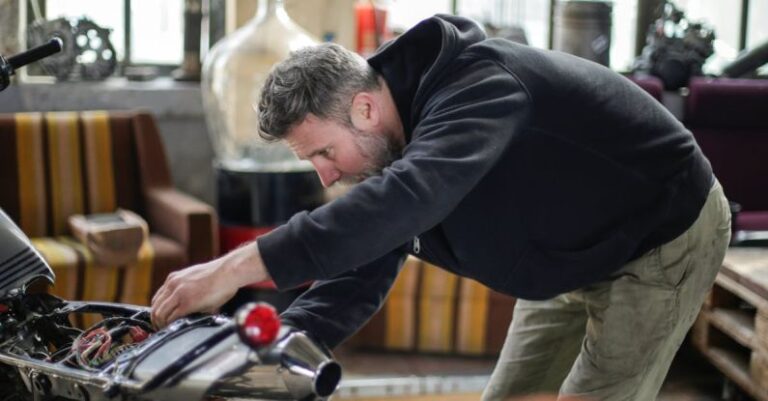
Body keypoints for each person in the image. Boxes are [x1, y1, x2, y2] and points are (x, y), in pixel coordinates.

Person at [151, 14, 731, 401]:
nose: (324, 175)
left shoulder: (479, 88)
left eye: (324, 152)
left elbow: (406, 200)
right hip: (568, 252)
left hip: (658, 237)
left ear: (365, 110)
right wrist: (267, 358)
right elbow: (358, 268)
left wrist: (234, 266)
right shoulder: (391, 150)